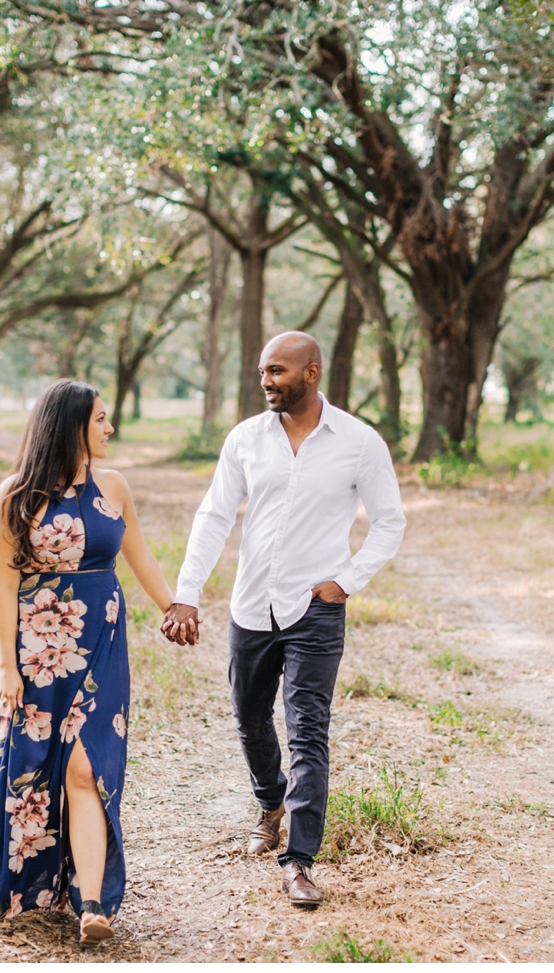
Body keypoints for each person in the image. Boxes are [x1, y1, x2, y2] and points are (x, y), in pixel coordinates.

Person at [161, 332, 406, 906]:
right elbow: (214, 515)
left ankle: (298, 859)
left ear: (312, 372)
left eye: (278, 371)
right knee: (249, 718)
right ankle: (269, 801)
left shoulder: (358, 442)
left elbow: (390, 522)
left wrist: (346, 581)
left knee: (308, 730)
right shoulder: (247, 439)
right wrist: (187, 593)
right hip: (251, 605)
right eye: (262, 372)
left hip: (315, 609)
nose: (267, 381)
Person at [0, 378, 176, 944]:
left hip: (102, 645)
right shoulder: (16, 496)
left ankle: (92, 904)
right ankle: (23, 886)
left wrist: (175, 606)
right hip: (40, 651)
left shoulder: (115, 486)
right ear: (71, 423)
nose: (110, 428)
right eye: (101, 418)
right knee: (30, 769)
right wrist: (6, 666)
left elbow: (141, 555)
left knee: (86, 768)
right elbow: (6, 589)